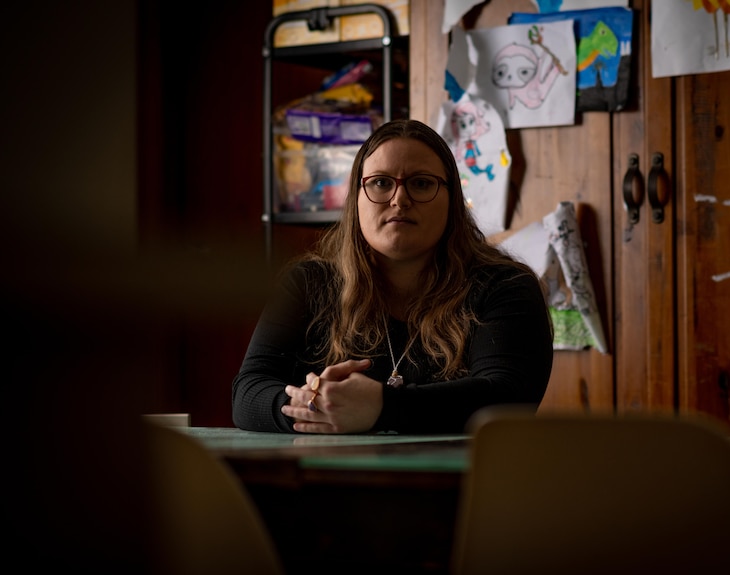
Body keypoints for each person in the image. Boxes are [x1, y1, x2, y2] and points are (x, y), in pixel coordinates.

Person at [232, 119, 553, 434]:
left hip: (461, 484)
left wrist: (382, 407)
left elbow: (507, 396)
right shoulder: (307, 282)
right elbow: (248, 390)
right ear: (356, 198)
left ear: (452, 200)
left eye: (421, 183)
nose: (399, 199)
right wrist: (310, 408)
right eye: (381, 182)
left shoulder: (505, 287)